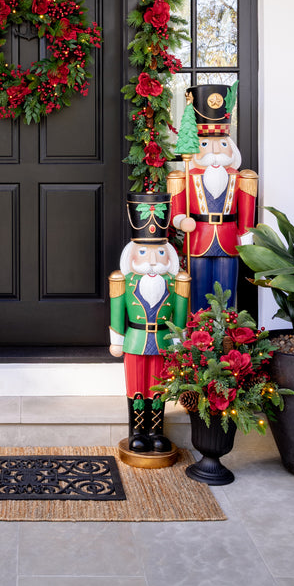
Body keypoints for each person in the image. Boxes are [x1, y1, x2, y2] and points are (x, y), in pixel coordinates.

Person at [109, 193, 190, 454]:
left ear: (169, 255)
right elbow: (117, 311)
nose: (152, 261)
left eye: (159, 253)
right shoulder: (125, 281)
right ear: (132, 256)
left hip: (163, 341)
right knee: (136, 388)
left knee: (160, 387)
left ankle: (156, 431)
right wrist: (116, 339)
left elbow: (180, 314)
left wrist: (179, 340)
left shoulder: (175, 282)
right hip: (135, 340)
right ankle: (136, 432)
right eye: (143, 253)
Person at [168, 83, 257, 313]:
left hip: (228, 241)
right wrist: (180, 221)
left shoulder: (241, 178)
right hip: (198, 239)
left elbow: (246, 215)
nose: (215, 150)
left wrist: (246, 238)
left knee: (226, 289)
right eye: (205, 144)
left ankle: (226, 333)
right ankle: (198, 335)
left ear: (231, 147)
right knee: (198, 289)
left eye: (222, 144)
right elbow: (176, 213)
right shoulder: (185, 176)